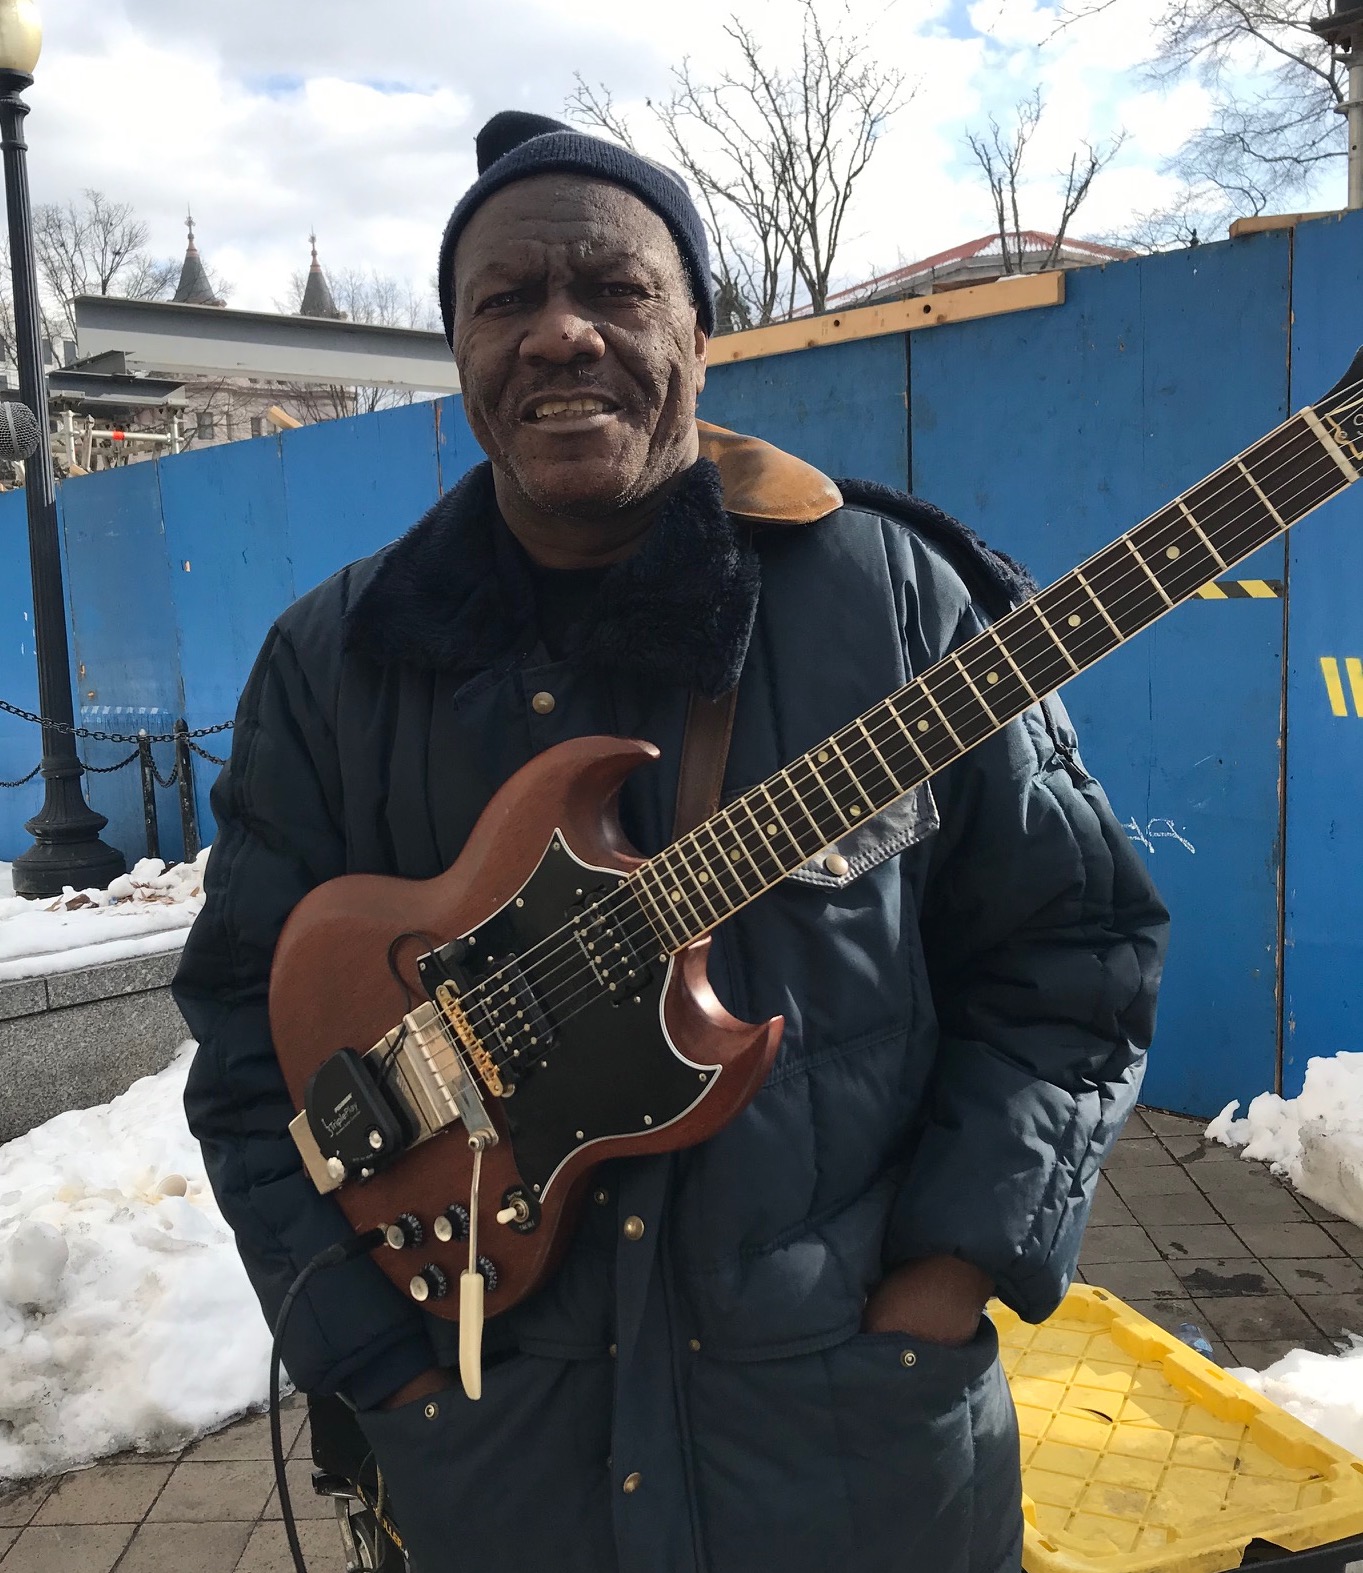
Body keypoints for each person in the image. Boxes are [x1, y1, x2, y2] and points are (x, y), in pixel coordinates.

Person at [175, 111, 1168, 1573]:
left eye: (615, 290)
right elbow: (251, 1051)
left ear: (703, 331)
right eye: (505, 299)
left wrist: (950, 1274)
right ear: (456, 352)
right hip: (499, 1460)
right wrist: (373, 1364)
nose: (561, 334)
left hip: (854, 1450)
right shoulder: (336, 663)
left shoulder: (896, 605)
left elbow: (1070, 954)